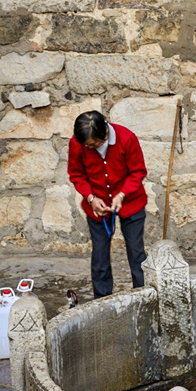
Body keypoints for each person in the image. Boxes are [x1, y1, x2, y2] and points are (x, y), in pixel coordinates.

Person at [67, 110, 148, 299]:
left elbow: (138, 172)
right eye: (89, 146)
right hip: (97, 206)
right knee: (100, 256)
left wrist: (122, 194)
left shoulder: (127, 138)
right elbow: (76, 174)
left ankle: (143, 295)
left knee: (136, 253)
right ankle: (102, 300)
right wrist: (90, 197)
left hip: (131, 202)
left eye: (96, 144)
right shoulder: (77, 144)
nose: (93, 148)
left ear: (105, 131)